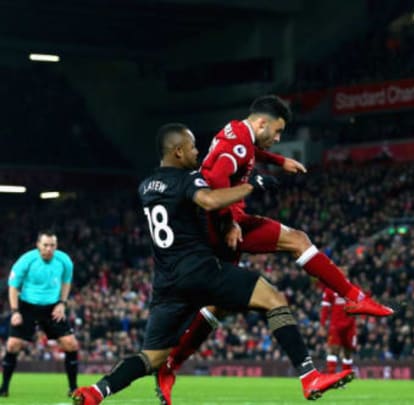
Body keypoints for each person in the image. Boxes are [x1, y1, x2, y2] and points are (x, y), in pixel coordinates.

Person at [71, 124, 353, 405]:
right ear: (178, 151)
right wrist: (250, 185)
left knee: (152, 357)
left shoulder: (146, 186)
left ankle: (96, 392)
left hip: (167, 282)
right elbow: (208, 200)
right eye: (193, 146)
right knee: (273, 298)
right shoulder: (187, 179)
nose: (197, 151)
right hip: (199, 270)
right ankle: (309, 376)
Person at [155, 95, 392, 397]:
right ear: (262, 123)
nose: (278, 138)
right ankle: (353, 297)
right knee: (298, 241)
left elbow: (246, 153)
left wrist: (280, 161)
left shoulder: (236, 132)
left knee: (221, 305)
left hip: (215, 221)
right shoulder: (237, 143)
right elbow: (214, 179)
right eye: (277, 132)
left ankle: (171, 364)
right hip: (221, 222)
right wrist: (229, 222)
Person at [1, 230, 79, 397]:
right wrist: (15, 311)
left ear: (56, 246)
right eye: (45, 245)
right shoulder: (26, 260)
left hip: (52, 308)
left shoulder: (64, 260)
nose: (49, 249)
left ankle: (73, 388)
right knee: (13, 345)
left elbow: (66, 282)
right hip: (27, 306)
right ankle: (4, 388)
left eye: (52, 245)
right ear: (38, 245)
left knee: (71, 344)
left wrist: (62, 303)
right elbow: (13, 286)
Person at [320, 282, 357, 373]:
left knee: (347, 352)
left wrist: (361, 317)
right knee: (333, 350)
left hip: (349, 325)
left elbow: (361, 303)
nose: (343, 271)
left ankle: (345, 378)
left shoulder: (352, 288)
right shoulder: (329, 289)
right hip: (335, 325)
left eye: (345, 269)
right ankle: (332, 378)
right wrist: (322, 325)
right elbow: (325, 308)